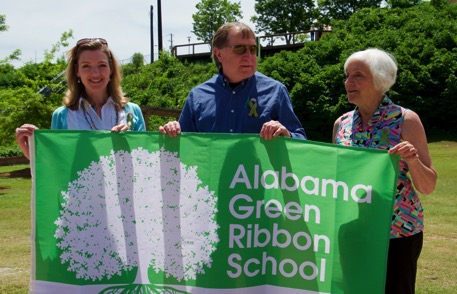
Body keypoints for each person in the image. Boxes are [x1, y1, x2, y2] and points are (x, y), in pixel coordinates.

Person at [332, 48, 437, 294]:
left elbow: (428, 185)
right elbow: (336, 177)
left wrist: (412, 160)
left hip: (398, 231)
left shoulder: (405, 120)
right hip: (354, 229)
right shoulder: (341, 124)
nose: (348, 82)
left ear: (380, 79)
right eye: (347, 75)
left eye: (358, 75)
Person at [159, 22, 306, 140]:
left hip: (259, 177)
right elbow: (183, 144)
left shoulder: (276, 91)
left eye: (253, 49)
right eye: (239, 48)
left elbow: (301, 140)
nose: (248, 55)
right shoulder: (197, 96)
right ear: (218, 53)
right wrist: (172, 132)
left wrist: (287, 134)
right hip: (212, 177)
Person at [15, 38, 146, 159]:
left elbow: (144, 160)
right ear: (77, 71)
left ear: (111, 69)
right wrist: (30, 151)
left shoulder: (133, 111)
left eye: (102, 65)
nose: (95, 73)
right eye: (86, 66)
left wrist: (166, 136)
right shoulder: (62, 116)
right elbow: (59, 163)